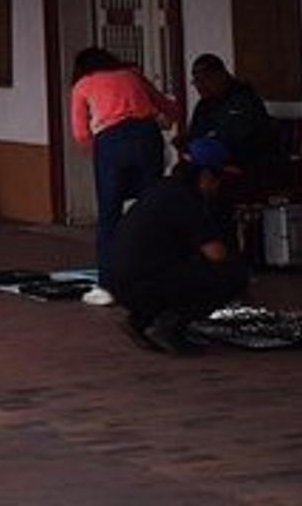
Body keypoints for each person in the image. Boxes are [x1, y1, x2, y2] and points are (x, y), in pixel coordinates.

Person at [107, 138, 249, 355]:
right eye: (220, 179)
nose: (219, 187)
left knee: (178, 270)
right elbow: (216, 254)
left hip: (117, 280)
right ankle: (170, 326)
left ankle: (140, 321)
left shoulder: (163, 188)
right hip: (143, 284)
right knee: (231, 275)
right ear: (206, 176)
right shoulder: (189, 202)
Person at [69, 46, 181, 307]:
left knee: (109, 215)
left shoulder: (83, 85)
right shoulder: (132, 74)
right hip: (147, 136)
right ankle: (158, 276)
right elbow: (168, 107)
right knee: (153, 209)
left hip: (111, 142)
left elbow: (81, 134)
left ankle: (108, 286)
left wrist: (100, 153)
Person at [184, 54, 275, 171]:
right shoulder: (204, 104)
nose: (200, 86)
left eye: (205, 79)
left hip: (248, 164)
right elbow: (195, 135)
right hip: (212, 162)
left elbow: (244, 142)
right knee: (180, 174)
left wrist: (218, 167)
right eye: (196, 81)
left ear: (221, 75)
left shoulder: (244, 98)